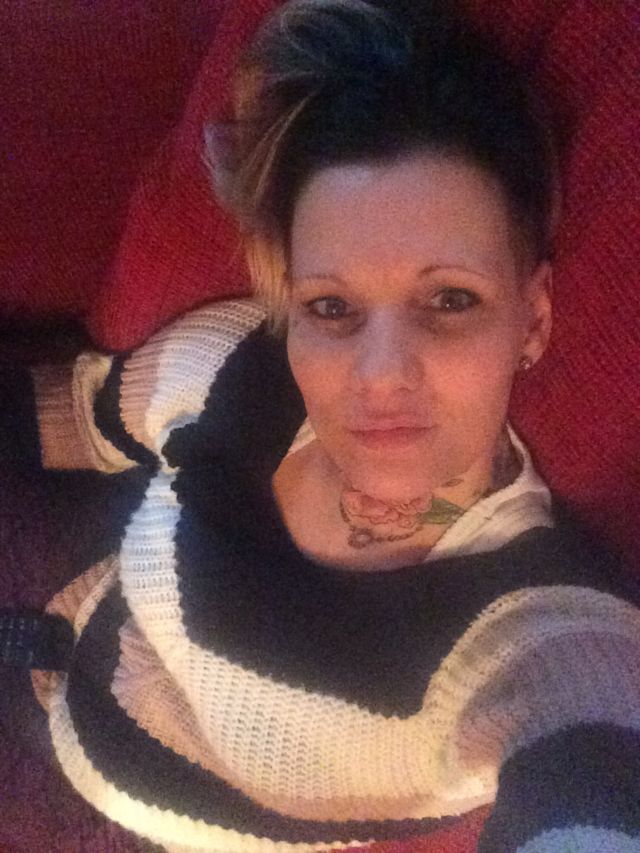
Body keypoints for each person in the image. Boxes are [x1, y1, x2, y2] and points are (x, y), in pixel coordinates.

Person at [20, 0, 640, 850]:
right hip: (52, 654)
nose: (379, 375)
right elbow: (77, 415)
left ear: (532, 320)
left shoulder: (537, 631)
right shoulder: (229, 363)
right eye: (331, 306)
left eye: (449, 300)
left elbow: (593, 755)